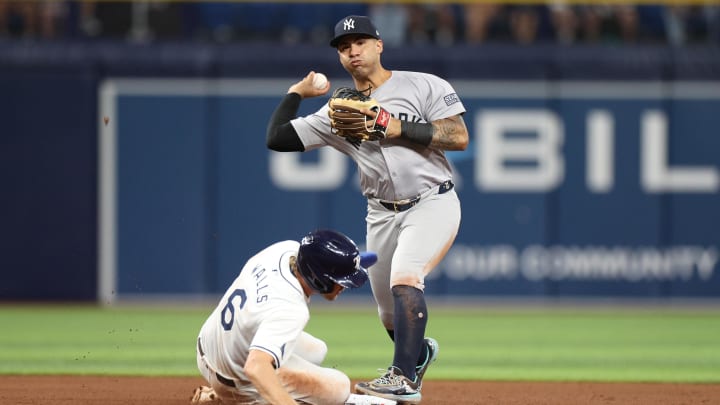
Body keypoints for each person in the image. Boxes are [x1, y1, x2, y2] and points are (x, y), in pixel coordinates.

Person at [265, 15, 469, 404]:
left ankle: (403, 378)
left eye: (359, 41)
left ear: (379, 45)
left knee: (406, 279)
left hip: (432, 200)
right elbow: (278, 138)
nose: (352, 50)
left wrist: (397, 127)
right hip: (381, 213)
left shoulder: (424, 84)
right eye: (344, 47)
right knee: (389, 316)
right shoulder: (337, 111)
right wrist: (296, 92)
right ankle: (418, 354)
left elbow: (458, 136)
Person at [191, 229, 395, 405]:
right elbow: (256, 366)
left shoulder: (284, 250)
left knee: (317, 350)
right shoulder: (290, 309)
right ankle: (239, 399)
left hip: (209, 346)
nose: (344, 287)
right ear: (319, 279)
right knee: (339, 387)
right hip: (233, 379)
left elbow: (318, 260)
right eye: (340, 280)